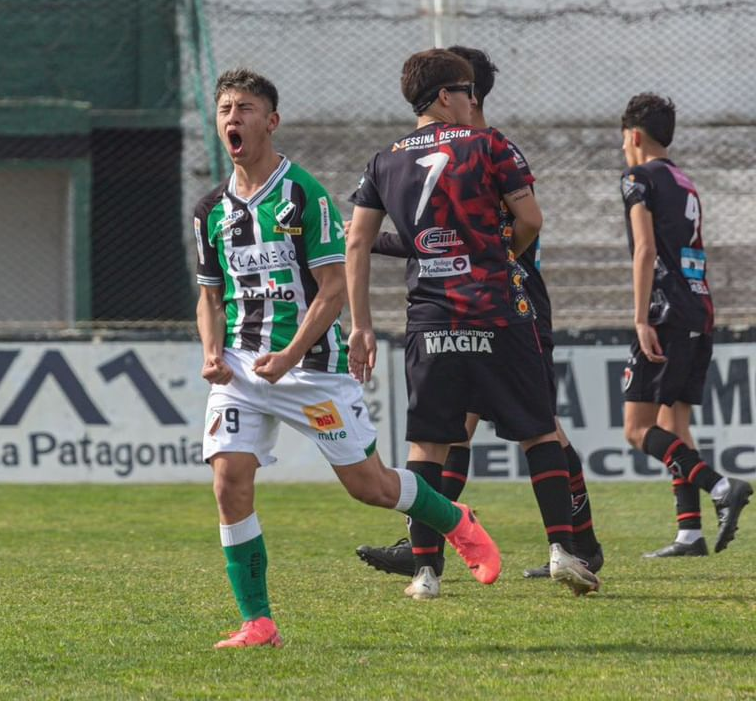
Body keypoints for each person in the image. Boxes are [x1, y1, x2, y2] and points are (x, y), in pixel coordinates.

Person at [194, 67, 502, 650]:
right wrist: (213, 351)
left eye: (245, 109)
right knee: (229, 482)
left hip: (310, 368)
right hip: (240, 370)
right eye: (225, 109)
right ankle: (258, 622)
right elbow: (210, 295)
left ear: (271, 121)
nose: (233, 118)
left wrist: (288, 356)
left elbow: (333, 289)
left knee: (372, 486)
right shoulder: (210, 209)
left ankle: (457, 522)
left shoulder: (302, 194)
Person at [347, 48, 600, 598]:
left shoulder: (383, 160)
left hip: (431, 321)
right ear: (445, 96)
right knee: (537, 431)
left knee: (426, 446)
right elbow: (530, 218)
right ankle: (563, 548)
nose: (472, 101)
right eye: (465, 92)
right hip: (496, 311)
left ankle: (425, 573)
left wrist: (361, 324)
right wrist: (498, 253)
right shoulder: (489, 145)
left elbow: (358, 240)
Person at [618, 93, 752, 557]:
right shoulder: (684, 181)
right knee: (675, 423)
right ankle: (689, 533)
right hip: (700, 309)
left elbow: (645, 250)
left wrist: (639, 318)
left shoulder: (638, 177)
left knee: (637, 430)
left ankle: (719, 487)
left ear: (633, 136)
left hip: (666, 312)